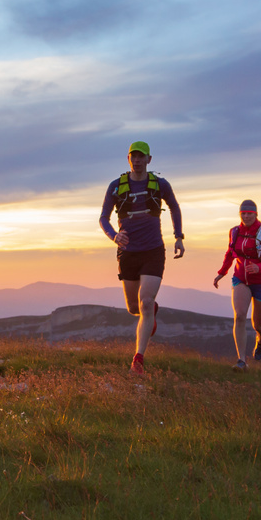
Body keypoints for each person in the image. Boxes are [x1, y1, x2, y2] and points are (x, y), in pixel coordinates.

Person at [99, 141, 184, 373]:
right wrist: (114, 236)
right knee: (134, 308)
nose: (137, 161)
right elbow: (103, 218)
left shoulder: (160, 185)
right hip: (128, 253)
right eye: (133, 157)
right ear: (128, 159)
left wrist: (179, 237)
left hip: (153, 250)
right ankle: (150, 311)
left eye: (141, 157)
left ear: (149, 159)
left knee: (145, 303)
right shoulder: (116, 186)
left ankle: (138, 358)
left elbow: (175, 208)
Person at [213, 199, 261, 370]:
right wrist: (222, 272)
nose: (246, 216)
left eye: (250, 213)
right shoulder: (235, 232)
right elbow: (230, 253)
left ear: (256, 214)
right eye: (243, 213)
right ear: (239, 214)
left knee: (257, 324)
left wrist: (259, 267)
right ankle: (241, 361)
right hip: (240, 279)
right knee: (240, 316)